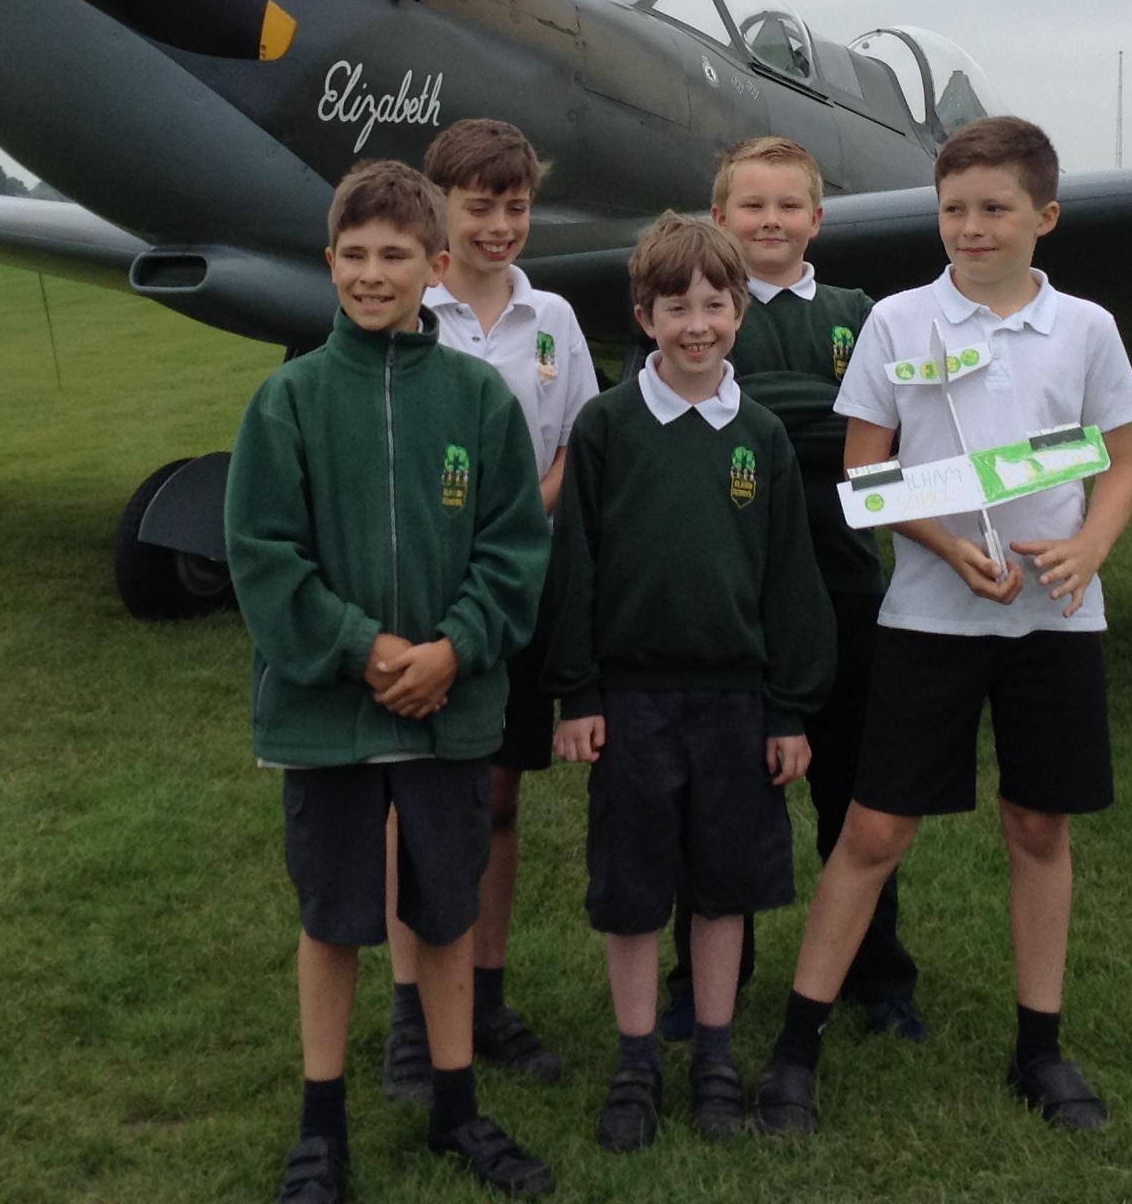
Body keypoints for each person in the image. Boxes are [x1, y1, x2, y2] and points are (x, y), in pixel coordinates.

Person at [755, 116, 1132, 1139]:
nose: (970, 228)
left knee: (1039, 826)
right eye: (953, 210)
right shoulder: (898, 322)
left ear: (1045, 216)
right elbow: (864, 471)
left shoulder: (1087, 328)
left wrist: (1089, 548)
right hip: (930, 616)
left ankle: (1040, 1049)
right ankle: (796, 1048)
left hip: (1056, 621)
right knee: (876, 827)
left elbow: (1121, 463)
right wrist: (946, 545)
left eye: (994, 209)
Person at [225, 160, 557, 1202]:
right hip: (329, 715)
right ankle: (321, 1126)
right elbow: (264, 556)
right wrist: (364, 649)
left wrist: (454, 648)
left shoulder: (478, 398)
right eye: (356, 256)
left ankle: (457, 1107)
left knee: (447, 911)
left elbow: (514, 548)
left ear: (436, 267)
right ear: (330, 263)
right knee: (332, 918)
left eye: (397, 256)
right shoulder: (287, 400)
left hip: (449, 710)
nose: (374, 275)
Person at [546, 214, 835, 1151]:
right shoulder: (605, 427)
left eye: (714, 306)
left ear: (740, 313)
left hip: (736, 704)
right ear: (645, 317)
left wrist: (787, 709)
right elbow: (577, 565)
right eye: (676, 308)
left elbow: (789, 579)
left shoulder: (761, 436)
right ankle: (637, 1061)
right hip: (631, 703)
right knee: (632, 888)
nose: (697, 325)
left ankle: (714, 1054)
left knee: (723, 886)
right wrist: (579, 693)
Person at [653, 137, 925, 1041]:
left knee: (855, 794)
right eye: (752, 205)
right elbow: (698, 423)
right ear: (719, 215)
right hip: (730, 591)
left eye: (788, 206)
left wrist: (768, 407)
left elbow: (887, 434)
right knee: (719, 794)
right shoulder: (704, 308)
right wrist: (830, 413)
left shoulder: (860, 313)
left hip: (846, 586)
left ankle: (875, 974)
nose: (770, 221)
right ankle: (702, 981)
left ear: (818, 217)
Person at [381, 119, 596, 1100]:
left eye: (516, 206)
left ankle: (486, 997)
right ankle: (409, 1016)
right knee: (418, 800)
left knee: (499, 797)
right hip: (424, 589)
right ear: (440, 206)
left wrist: (511, 523)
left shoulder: (553, 317)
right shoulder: (407, 307)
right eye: (479, 206)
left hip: (520, 589)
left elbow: (574, 446)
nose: (500, 225)